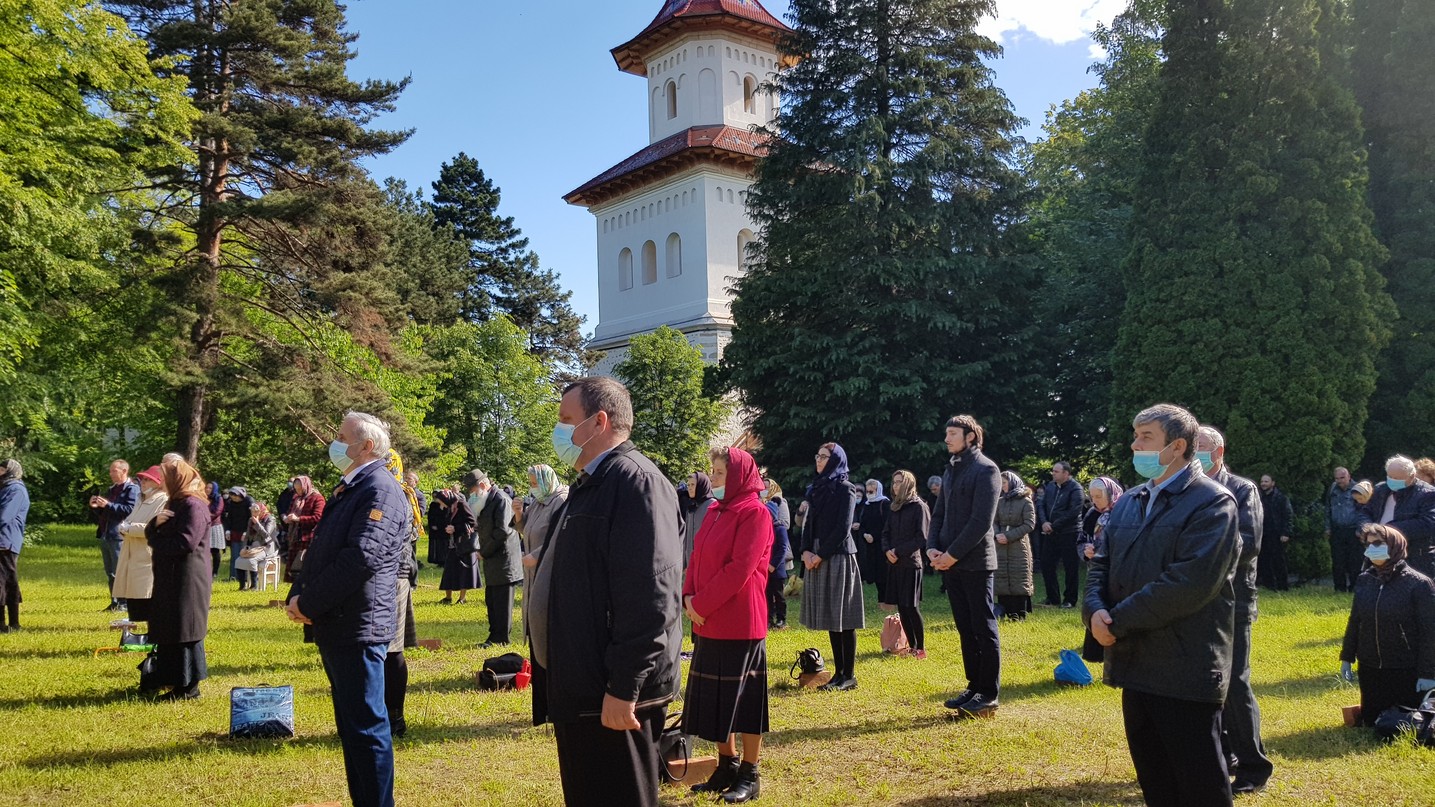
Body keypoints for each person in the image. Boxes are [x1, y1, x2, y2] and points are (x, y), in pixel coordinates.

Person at [528, 377, 682, 807]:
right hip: (583, 686)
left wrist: (624, 686)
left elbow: (652, 596)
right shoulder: (590, 483)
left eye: (565, 420)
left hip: (613, 693)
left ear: (599, 422)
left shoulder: (637, 484)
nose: (558, 431)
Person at [1084, 403, 1241, 807]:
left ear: (1177, 446)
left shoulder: (1213, 503)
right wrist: (1094, 610)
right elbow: (1102, 562)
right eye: (1135, 436)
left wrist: (1116, 621)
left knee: (1199, 781)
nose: (1135, 444)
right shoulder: (1131, 499)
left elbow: (1189, 584)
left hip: (1185, 665)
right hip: (1136, 664)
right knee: (1155, 778)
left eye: (1146, 437)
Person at [285, 412, 411, 807]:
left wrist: (310, 601)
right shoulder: (352, 487)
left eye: (342, 437)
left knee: (367, 727)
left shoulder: (381, 490)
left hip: (358, 623)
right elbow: (324, 547)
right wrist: (300, 593)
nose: (335, 443)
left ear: (367, 446)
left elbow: (361, 557)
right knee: (353, 727)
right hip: (339, 621)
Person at [682, 446, 773, 803]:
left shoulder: (756, 513)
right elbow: (696, 555)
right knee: (717, 700)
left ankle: (750, 773)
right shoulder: (716, 511)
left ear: (737, 475)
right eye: (713, 472)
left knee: (745, 703)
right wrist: (689, 599)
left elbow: (740, 568)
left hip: (739, 622)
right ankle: (726, 765)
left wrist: (700, 604)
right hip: (706, 620)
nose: (715, 478)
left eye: (720, 473)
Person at [1197, 425, 1272, 794]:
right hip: (1195, 602)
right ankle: (1221, 756)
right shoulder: (1189, 488)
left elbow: (1249, 542)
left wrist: (1197, 556)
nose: (1194, 452)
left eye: (1201, 447)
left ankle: (1254, 767)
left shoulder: (1242, 489)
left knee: (1236, 684)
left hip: (1233, 601)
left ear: (1219, 451)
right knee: (1207, 682)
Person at [928, 414, 1002, 718]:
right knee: (964, 627)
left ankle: (988, 693)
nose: (947, 438)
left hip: (975, 562)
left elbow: (980, 522)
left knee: (982, 627)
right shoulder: (951, 469)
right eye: (946, 433)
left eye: (953, 433)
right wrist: (932, 547)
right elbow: (939, 513)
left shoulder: (987, 470)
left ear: (970, 437)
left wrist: (952, 554)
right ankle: (973, 686)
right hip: (950, 562)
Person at [1340, 523, 1435, 728]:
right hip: (1371, 669)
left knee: (1404, 722)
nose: (1371, 549)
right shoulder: (1365, 580)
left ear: (1394, 545)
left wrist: (1428, 673)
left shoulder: (1419, 584)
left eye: (1378, 543)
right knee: (1372, 721)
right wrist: (1347, 657)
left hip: (1404, 669)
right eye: (1368, 544)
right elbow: (1356, 620)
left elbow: (1429, 633)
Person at [144, 460, 213, 699]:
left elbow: (186, 542)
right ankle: (171, 680)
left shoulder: (193, 505)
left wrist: (156, 540)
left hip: (188, 578)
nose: (160, 482)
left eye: (164, 477)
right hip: (171, 576)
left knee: (185, 629)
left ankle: (187, 687)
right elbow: (157, 530)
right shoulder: (176, 502)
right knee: (170, 627)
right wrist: (154, 526)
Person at [799, 442, 864, 691]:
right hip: (816, 554)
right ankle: (837, 673)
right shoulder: (816, 488)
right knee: (830, 617)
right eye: (817, 455)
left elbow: (843, 528)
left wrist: (820, 555)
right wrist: (805, 550)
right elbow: (809, 523)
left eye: (824, 456)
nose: (819, 460)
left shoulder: (845, 489)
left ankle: (849, 675)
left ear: (836, 460)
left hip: (837, 556)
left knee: (843, 617)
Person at [386, 450, 424, 739]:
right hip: (392, 573)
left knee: (391, 649)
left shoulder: (398, 494)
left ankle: (395, 717)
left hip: (393, 575)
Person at [466, 469, 522, 647]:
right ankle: (493, 635)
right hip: (493, 559)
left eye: (473, 491)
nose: (472, 496)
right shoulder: (486, 500)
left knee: (502, 602)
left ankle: (501, 638)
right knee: (492, 599)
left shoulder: (501, 499)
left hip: (504, 560)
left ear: (482, 486)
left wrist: (484, 551)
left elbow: (503, 531)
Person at [1357, 455, 1435, 577]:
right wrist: (1366, 528)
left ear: (1412, 476)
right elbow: (1365, 512)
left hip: (1412, 557)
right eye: (1390, 477)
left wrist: (1387, 531)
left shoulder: (1428, 494)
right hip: (1377, 553)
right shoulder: (1380, 489)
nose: (1392, 481)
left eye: (1397, 478)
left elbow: (1428, 523)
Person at [882, 470, 930, 657]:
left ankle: (920, 648)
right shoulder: (894, 507)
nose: (895, 486)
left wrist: (898, 551)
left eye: (900, 482)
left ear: (909, 484)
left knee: (911, 606)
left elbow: (922, 537)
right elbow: (885, 532)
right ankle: (911, 646)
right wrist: (887, 550)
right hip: (894, 563)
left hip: (911, 563)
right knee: (901, 607)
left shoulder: (919, 507)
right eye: (894, 482)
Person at [519, 464, 568, 637]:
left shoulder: (560, 501)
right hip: (532, 571)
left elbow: (562, 537)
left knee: (546, 620)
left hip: (549, 569)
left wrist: (537, 555)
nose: (533, 488)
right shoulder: (539, 502)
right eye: (531, 484)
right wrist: (518, 513)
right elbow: (527, 529)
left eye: (535, 483)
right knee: (534, 618)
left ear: (545, 481)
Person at [114, 466, 168, 621]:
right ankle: (136, 636)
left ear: (158, 482)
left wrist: (128, 528)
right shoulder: (141, 499)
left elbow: (155, 527)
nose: (142, 482)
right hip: (132, 554)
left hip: (146, 555)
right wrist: (125, 528)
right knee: (134, 601)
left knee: (146, 596)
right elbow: (130, 521)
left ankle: (150, 637)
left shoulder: (163, 500)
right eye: (142, 479)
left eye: (147, 479)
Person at [1077, 476, 1123, 662]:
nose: (1094, 500)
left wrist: (1103, 550)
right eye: (1092, 496)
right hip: (1094, 569)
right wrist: (1085, 551)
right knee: (1095, 605)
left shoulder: (1122, 512)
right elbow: (1081, 539)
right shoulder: (1091, 514)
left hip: (1116, 570)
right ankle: (1095, 654)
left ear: (1110, 494)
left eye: (1099, 496)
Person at [89, 459, 138, 611]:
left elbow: (129, 510)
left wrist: (108, 505)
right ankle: (115, 601)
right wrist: (96, 507)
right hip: (106, 533)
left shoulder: (132, 489)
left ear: (124, 471)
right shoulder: (112, 489)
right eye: (110, 471)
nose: (111, 474)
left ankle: (124, 603)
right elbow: (107, 513)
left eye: (114, 471)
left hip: (119, 534)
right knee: (110, 571)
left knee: (120, 571)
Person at [1037, 461, 1083, 608]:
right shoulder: (1050, 487)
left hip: (1069, 533)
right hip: (1051, 533)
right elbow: (1042, 505)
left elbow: (1074, 512)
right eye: (1053, 471)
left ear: (1066, 473)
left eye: (1056, 471)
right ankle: (1052, 598)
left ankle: (1070, 599)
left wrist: (1054, 525)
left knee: (1070, 567)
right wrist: (1044, 522)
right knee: (1046, 564)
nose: (1053, 473)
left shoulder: (1075, 489)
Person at [992, 471, 1035, 621]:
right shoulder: (999, 501)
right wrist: (997, 535)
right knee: (1002, 576)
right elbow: (994, 521)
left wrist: (1009, 536)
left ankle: (1019, 612)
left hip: (1018, 545)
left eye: (1004, 482)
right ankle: (1005, 610)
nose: (1002, 486)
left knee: (1019, 576)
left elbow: (1029, 524)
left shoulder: (1025, 501)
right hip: (1001, 545)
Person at [0, 460, 28, 633]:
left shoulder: (15, 489)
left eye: (2, 470)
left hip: (5, 541)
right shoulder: (6, 488)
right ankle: (11, 624)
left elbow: (4, 516)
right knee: (7, 581)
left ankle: (7, 624)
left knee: (4, 582)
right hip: (4, 541)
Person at [437, 486, 478, 604]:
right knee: (449, 570)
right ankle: (448, 597)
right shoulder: (450, 507)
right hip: (452, 543)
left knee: (463, 571)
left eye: (441, 502)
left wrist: (456, 528)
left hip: (463, 543)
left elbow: (472, 523)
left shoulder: (461, 504)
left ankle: (462, 598)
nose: (441, 504)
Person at [283, 476, 325, 583]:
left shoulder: (317, 498)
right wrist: (288, 518)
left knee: (304, 570)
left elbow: (318, 518)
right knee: (292, 572)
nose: (298, 491)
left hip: (309, 538)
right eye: (296, 489)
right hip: (295, 537)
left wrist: (298, 519)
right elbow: (290, 511)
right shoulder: (296, 498)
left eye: (300, 489)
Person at [1326, 467, 1363, 592]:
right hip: (1337, 530)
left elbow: (1363, 511)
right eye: (1337, 478)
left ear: (1349, 476)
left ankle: (1354, 587)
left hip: (1353, 530)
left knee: (1355, 561)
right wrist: (1328, 527)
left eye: (1342, 478)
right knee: (1337, 561)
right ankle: (1339, 588)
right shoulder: (1332, 489)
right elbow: (1328, 509)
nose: (1339, 481)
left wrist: (1361, 529)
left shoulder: (1358, 489)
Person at [763, 478, 791, 629]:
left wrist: (773, 564)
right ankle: (768, 618)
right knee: (767, 595)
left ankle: (782, 619)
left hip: (776, 568)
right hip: (765, 566)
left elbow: (782, 548)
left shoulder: (779, 528)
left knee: (779, 595)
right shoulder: (763, 528)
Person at [1256, 475, 1292, 591]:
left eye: (1266, 481)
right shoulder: (1258, 497)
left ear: (1273, 483)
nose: (1263, 484)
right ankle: (1268, 585)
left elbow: (1288, 516)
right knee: (1264, 560)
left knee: (1279, 561)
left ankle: (1283, 586)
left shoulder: (1281, 498)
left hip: (1277, 534)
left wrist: (1286, 533)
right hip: (1262, 533)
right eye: (1262, 481)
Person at [858, 479, 890, 605]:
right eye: (868, 489)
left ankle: (887, 599)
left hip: (882, 544)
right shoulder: (867, 505)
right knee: (875, 572)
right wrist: (865, 534)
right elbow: (863, 523)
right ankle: (881, 599)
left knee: (884, 572)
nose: (869, 491)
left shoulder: (885, 503)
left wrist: (875, 536)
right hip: (869, 545)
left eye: (872, 488)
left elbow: (887, 524)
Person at [234, 502, 278, 591]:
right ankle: (242, 586)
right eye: (252, 511)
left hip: (267, 547)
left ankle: (254, 586)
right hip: (254, 546)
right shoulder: (251, 520)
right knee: (239, 560)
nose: (254, 513)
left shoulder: (270, 519)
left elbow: (267, 535)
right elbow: (247, 536)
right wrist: (245, 547)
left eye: (256, 511)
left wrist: (257, 523)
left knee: (252, 560)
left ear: (261, 511)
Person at [683, 471, 717, 567]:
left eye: (693, 484)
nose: (689, 488)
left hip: (705, 564)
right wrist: (685, 563)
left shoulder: (712, 505)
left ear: (702, 485)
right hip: (691, 563)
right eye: (688, 485)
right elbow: (687, 536)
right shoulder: (692, 506)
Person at [221, 487, 254, 582]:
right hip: (234, 531)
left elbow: (251, 518)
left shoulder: (249, 501)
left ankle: (244, 578)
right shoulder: (231, 503)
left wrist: (246, 532)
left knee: (244, 555)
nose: (234, 499)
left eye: (236, 497)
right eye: (232, 497)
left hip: (246, 532)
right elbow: (228, 518)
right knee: (234, 555)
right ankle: (233, 577)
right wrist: (227, 530)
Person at [205, 481, 225, 579]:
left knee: (215, 550)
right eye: (207, 487)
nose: (207, 490)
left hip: (215, 526)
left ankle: (215, 572)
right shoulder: (203, 498)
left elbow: (218, 511)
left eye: (210, 488)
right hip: (205, 526)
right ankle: (206, 570)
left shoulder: (219, 498)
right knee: (205, 549)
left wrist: (205, 516)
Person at [425, 486, 448, 568]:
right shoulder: (433, 505)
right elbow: (430, 516)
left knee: (444, 544)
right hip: (435, 528)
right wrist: (432, 525)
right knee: (436, 545)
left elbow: (446, 516)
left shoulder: (446, 505)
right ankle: (437, 560)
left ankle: (444, 560)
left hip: (443, 528)